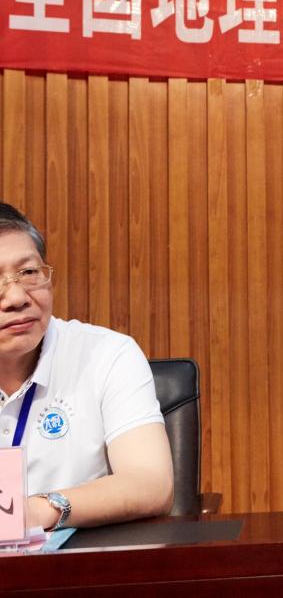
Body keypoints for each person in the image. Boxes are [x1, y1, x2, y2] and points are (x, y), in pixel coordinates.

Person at [0, 202, 173, 530]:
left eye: (29, 273)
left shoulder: (107, 355)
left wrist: (38, 511)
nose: (17, 298)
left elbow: (151, 483)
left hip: (80, 559)